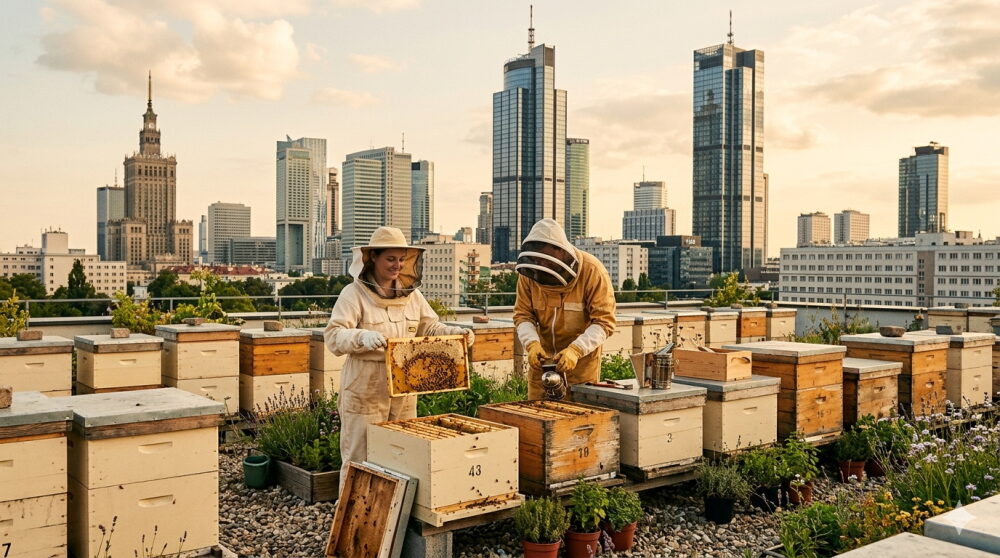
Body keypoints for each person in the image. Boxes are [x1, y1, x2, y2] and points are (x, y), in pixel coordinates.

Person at [324, 226, 474, 489]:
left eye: (402, 259)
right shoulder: (353, 294)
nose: (398, 265)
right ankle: (351, 511)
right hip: (365, 386)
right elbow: (334, 336)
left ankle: (394, 511)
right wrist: (361, 337)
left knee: (402, 454)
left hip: (405, 386)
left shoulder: (411, 295)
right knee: (360, 456)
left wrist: (454, 333)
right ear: (373, 257)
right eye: (391, 259)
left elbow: (429, 328)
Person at [513, 218, 616, 400]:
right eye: (537, 259)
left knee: (578, 416)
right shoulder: (529, 273)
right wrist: (532, 344)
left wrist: (576, 350)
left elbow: (604, 322)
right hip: (542, 367)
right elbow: (523, 315)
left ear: (559, 250)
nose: (541, 264)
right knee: (537, 415)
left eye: (545, 259)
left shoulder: (592, 271)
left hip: (581, 369)